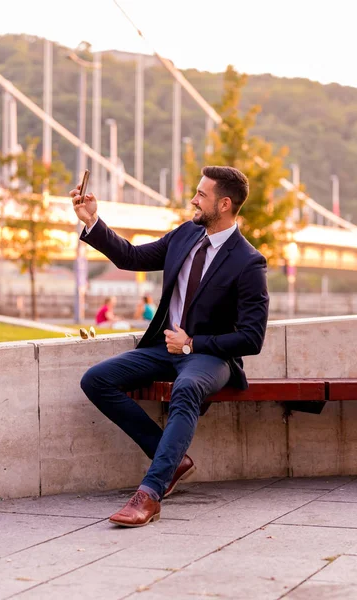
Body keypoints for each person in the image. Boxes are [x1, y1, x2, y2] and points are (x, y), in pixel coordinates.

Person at [70, 166, 269, 528]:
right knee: (96, 379)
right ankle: (172, 459)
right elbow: (132, 257)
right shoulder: (186, 235)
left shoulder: (249, 262)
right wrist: (93, 221)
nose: (193, 199)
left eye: (201, 195)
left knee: (187, 388)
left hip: (211, 357)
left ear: (224, 204)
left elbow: (252, 338)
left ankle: (149, 494)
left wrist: (193, 343)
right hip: (165, 349)